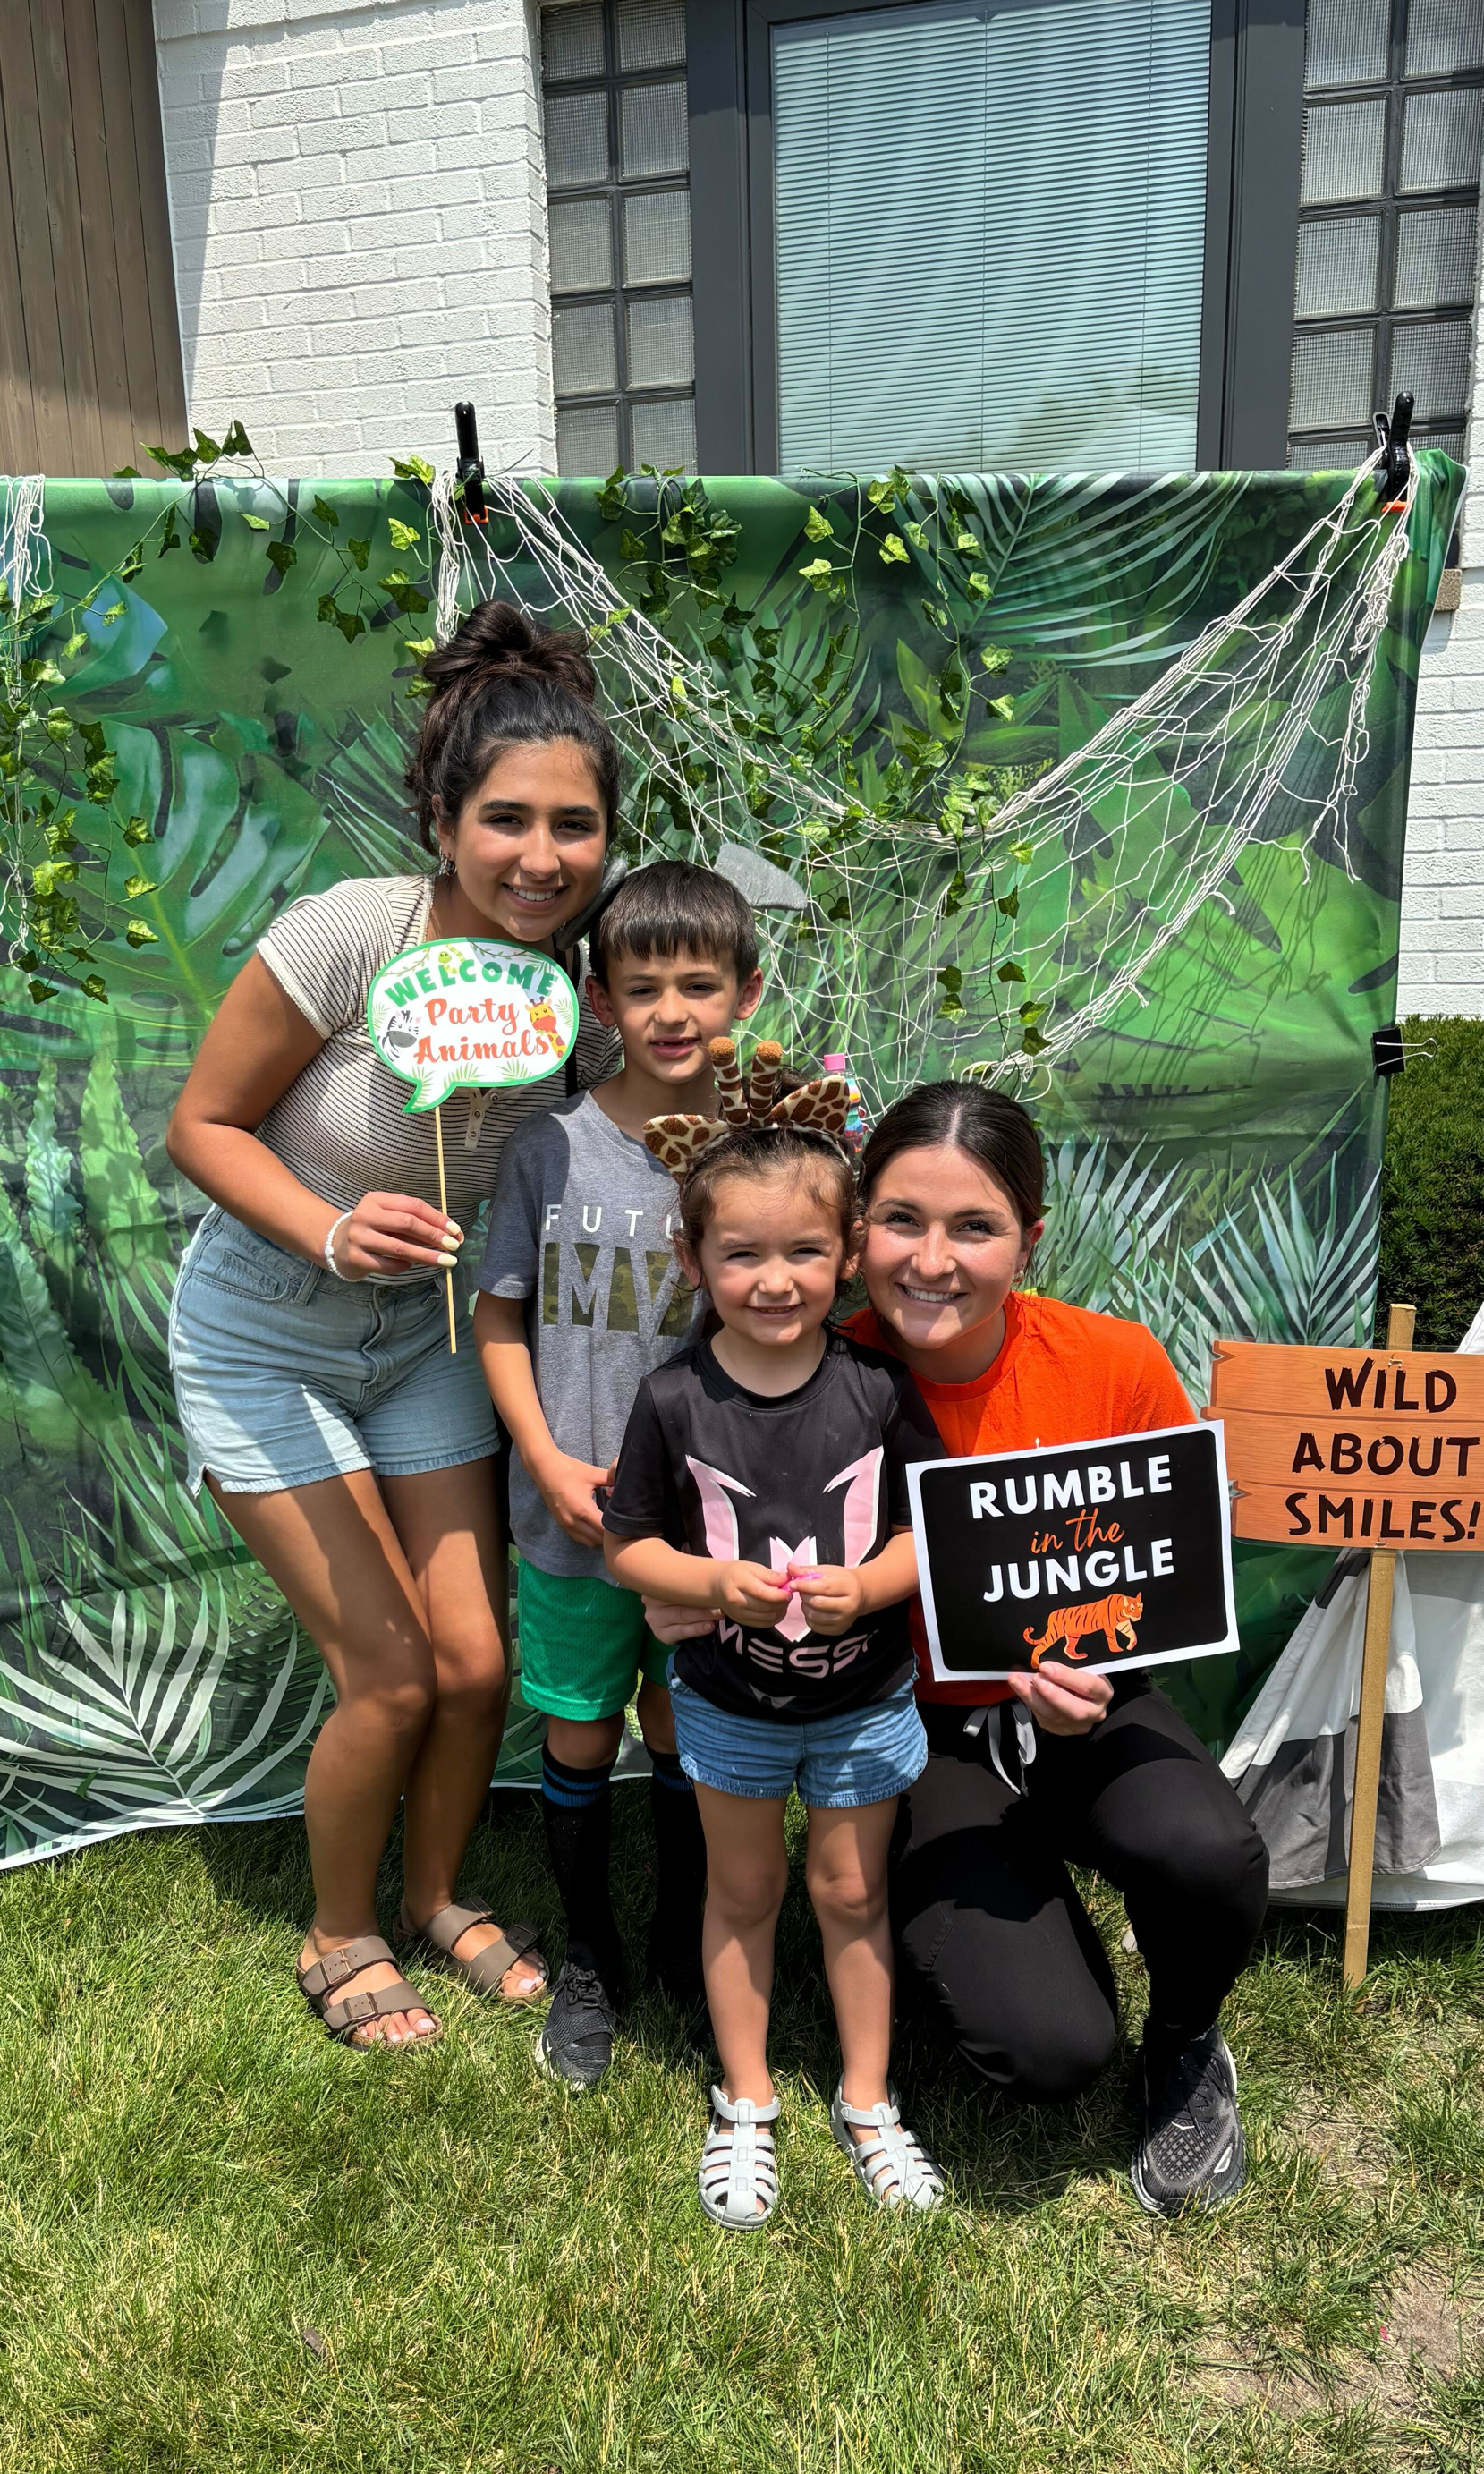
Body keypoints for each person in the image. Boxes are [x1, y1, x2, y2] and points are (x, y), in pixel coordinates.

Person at [164, 601, 624, 2049]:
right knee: (391, 1668)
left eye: (576, 825)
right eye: (506, 821)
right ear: (440, 818)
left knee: (477, 1664)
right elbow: (201, 1125)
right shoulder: (351, 934)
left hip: (428, 1347)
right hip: (268, 1335)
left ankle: (432, 1895)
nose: (543, 857)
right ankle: (338, 1927)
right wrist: (326, 1224)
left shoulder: (583, 980)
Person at [844, 1081, 1270, 2215]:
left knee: (1205, 1851)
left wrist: (1097, 1679)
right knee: (1050, 2052)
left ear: (1029, 1240)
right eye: (901, 1221)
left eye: (974, 1228)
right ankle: (897, 1908)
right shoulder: (816, 1370)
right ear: (857, 1229)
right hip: (907, 1729)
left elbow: (1165, 1581)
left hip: (1083, 1697)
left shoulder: (1110, 1362)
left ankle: (1183, 2040)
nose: (932, 1260)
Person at [601, 1127, 946, 2231]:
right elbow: (629, 1548)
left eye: (803, 1250)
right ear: (691, 1260)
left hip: (864, 1700)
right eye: (741, 1253)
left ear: (847, 1254)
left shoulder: (880, 1391)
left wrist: (878, 1587)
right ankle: (745, 2102)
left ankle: (867, 2101)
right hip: (729, 1704)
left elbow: (925, 1531)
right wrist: (710, 1583)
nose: (774, 1279)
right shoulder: (670, 1400)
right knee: (742, 1892)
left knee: (853, 1894)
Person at [474, 863, 762, 2090]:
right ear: (598, 998)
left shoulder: (765, 1149)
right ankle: (588, 1952)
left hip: (704, 1534)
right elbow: (496, 1320)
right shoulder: (547, 1148)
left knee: (687, 1735)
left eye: (699, 984)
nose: (671, 1010)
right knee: (582, 1735)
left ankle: (693, 1948)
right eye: (642, 986)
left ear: (745, 994)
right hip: (571, 1522)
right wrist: (540, 1455)